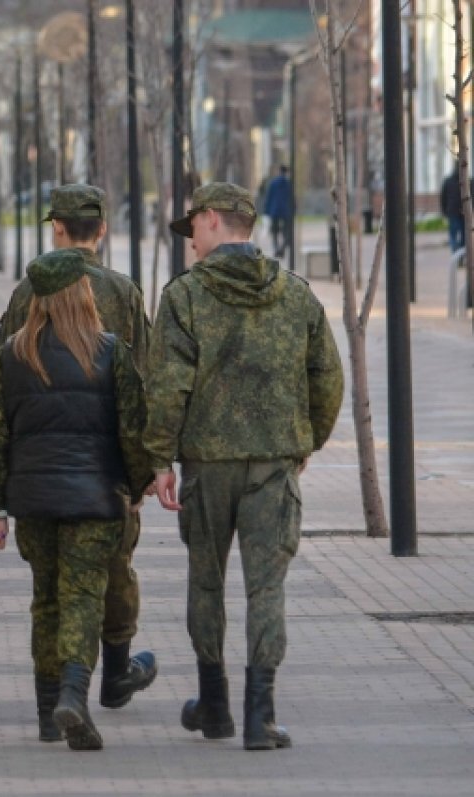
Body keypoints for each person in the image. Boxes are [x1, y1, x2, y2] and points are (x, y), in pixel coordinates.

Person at [147, 182, 344, 751]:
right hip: (274, 464)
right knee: (267, 587)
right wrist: (304, 444)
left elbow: (167, 387)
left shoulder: (184, 298)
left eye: (193, 231)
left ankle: (214, 705)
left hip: (208, 464)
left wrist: (160, 458)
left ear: (211, 220)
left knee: (205, 581)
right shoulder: (296, 295)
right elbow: (327, 379)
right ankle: (261, 716)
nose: (191, 246)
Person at [0, 183, 158, 733]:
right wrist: (142, 477)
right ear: (102, 230)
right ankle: (107, 675)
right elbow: (145, 385)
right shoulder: (125, 293)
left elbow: (1, 392)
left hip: (37, 476)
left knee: (51, 594)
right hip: (104, 476)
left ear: (57, 227)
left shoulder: (28, 291)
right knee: (108, 578)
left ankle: (53, 705)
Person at [263, 166, 292, 258]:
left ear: (279, 171)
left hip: (274, 210)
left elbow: (269, 197)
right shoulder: (288, 184)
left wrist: (266, 210)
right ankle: (282, 249)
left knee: (274, 232)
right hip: (285, 211)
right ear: (286, 172)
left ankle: (276, 249)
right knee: (286, 232)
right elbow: (291, 199)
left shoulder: (273, 183)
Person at [439, 166, 468, 252]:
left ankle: (456, 253)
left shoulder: (448, 181)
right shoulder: (467, 181)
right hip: (462, 212)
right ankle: (460, 255)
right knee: (463, 236)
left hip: (453, 211)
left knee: (454, 235)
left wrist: (444, 211)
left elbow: (443, 198)